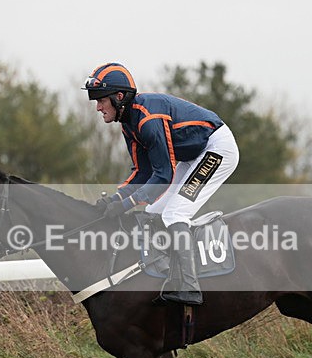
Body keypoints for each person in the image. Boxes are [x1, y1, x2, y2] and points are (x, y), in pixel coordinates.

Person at [83, 62, 239, 306]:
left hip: (216, 148)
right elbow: (142, 172)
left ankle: (190, 287)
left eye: (101, 100)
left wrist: (126, 204)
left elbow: (163, 175)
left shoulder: (148, 120)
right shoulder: (129, 124)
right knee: (154, 211)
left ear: (119, 96)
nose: (98, 107)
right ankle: (166, 273)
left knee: (176, 212)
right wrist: (116, 199)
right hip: (191, 155)